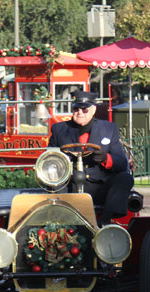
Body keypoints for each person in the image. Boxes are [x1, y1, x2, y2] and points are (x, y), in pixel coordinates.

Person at [49, 90, 134, 225]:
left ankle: (104, 221)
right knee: (54, 182)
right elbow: (49, 161)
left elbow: (122, 163)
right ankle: (61, 222)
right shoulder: (59, 129)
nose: (80, 112)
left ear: (93, 110)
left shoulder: (108, 128)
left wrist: (106, 159)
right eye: (76, 108)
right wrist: (63, 160)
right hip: (69, 187)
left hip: (99, 187)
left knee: (125, 179)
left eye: (85, 109)